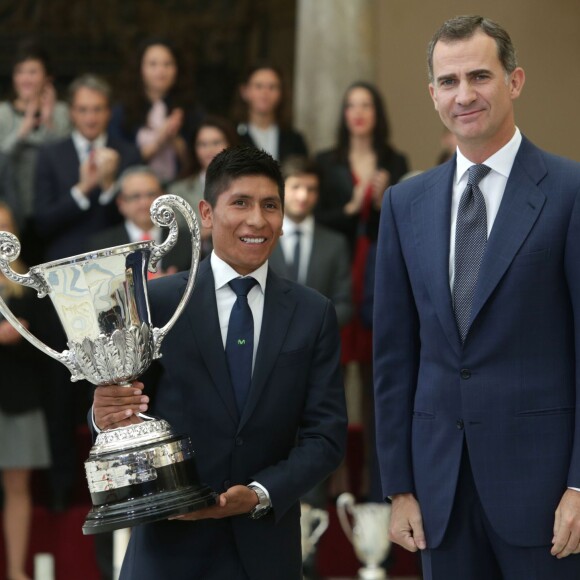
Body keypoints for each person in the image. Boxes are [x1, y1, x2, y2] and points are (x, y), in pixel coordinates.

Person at [373, 15, 580, 579]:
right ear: (433, 93)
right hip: (439, 494)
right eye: (448, 81)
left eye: (480, 77)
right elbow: (393, 357)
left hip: (547, 499)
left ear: (514, 82)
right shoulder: (403, 203)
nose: (464, 95)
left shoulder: (569, 191)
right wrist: (399, 489)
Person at [91, 146, 347, 580]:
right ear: (206, 213)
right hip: (169, 550)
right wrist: (104, 414)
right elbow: (123, 407)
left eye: (270, 205)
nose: (257, 220)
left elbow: (326, 436)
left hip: (267, 552)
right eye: (240, 203)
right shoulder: (158, 300)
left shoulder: (312, 312)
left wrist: (260, 493)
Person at [34, 73, 142, 262]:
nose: (90, 118)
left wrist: (109, 186)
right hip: (65, 263)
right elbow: (42, 223)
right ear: (71, 112)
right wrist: (83, 189)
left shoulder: (128, 154)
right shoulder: (50, 155)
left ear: (109, 112)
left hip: (116, 260)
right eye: (83, 110)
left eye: (97, 109)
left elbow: (137, 219)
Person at [0, 202, 51, 580]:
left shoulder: (29, 283)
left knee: (18, 487)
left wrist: (22, 333)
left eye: (6, 232)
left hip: (18, 396)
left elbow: (52, 341)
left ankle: (17, 572)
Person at [0, 39, 70, 264]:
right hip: (15, 212)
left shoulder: (62, 112)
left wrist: (49, 122)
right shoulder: (3, 113)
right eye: (20, 71)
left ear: (47, 78)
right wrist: (23, 129)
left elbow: (67, 159)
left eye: (33, 71)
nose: (26, 78)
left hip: (52, 210)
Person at [269, 155, 352, 328]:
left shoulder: (335, 243)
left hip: (317, 345)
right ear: (280, 189)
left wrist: (313, 326)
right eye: (296, 187)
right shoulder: (262, 238)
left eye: (311, 189)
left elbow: (345, 304)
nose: (303, 196)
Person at [109, 39, 197, 184]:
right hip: (137, 190)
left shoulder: (190, 109)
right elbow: (119, 159)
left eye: (167, 64)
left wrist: (174, 138)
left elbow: (201, 159)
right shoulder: (122, 111)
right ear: (140, 68)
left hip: (180, 190)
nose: (160, 71)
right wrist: (160, 140)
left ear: (177, 69)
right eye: (153, 64)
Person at [88, 165, 192, 273]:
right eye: (135, 196)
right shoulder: (101, 247)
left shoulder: (186, 240)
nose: (144, 203)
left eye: (151, 194)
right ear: (121, 203)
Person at [168, 115, 237, 257]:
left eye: (216, 142)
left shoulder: (246, 184)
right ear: (194, 149)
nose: (209, 150)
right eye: (202, 144)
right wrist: (202, 233)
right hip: (193, 264)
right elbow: (173, 239)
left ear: (230, 144)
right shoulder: (178, 190)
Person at [236, 63, 308, 162]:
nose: (265, 92)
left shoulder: (294, 139)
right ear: (244, 91)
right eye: (259, 86)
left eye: (272, 87)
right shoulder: (233, 136)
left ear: (281, 93)